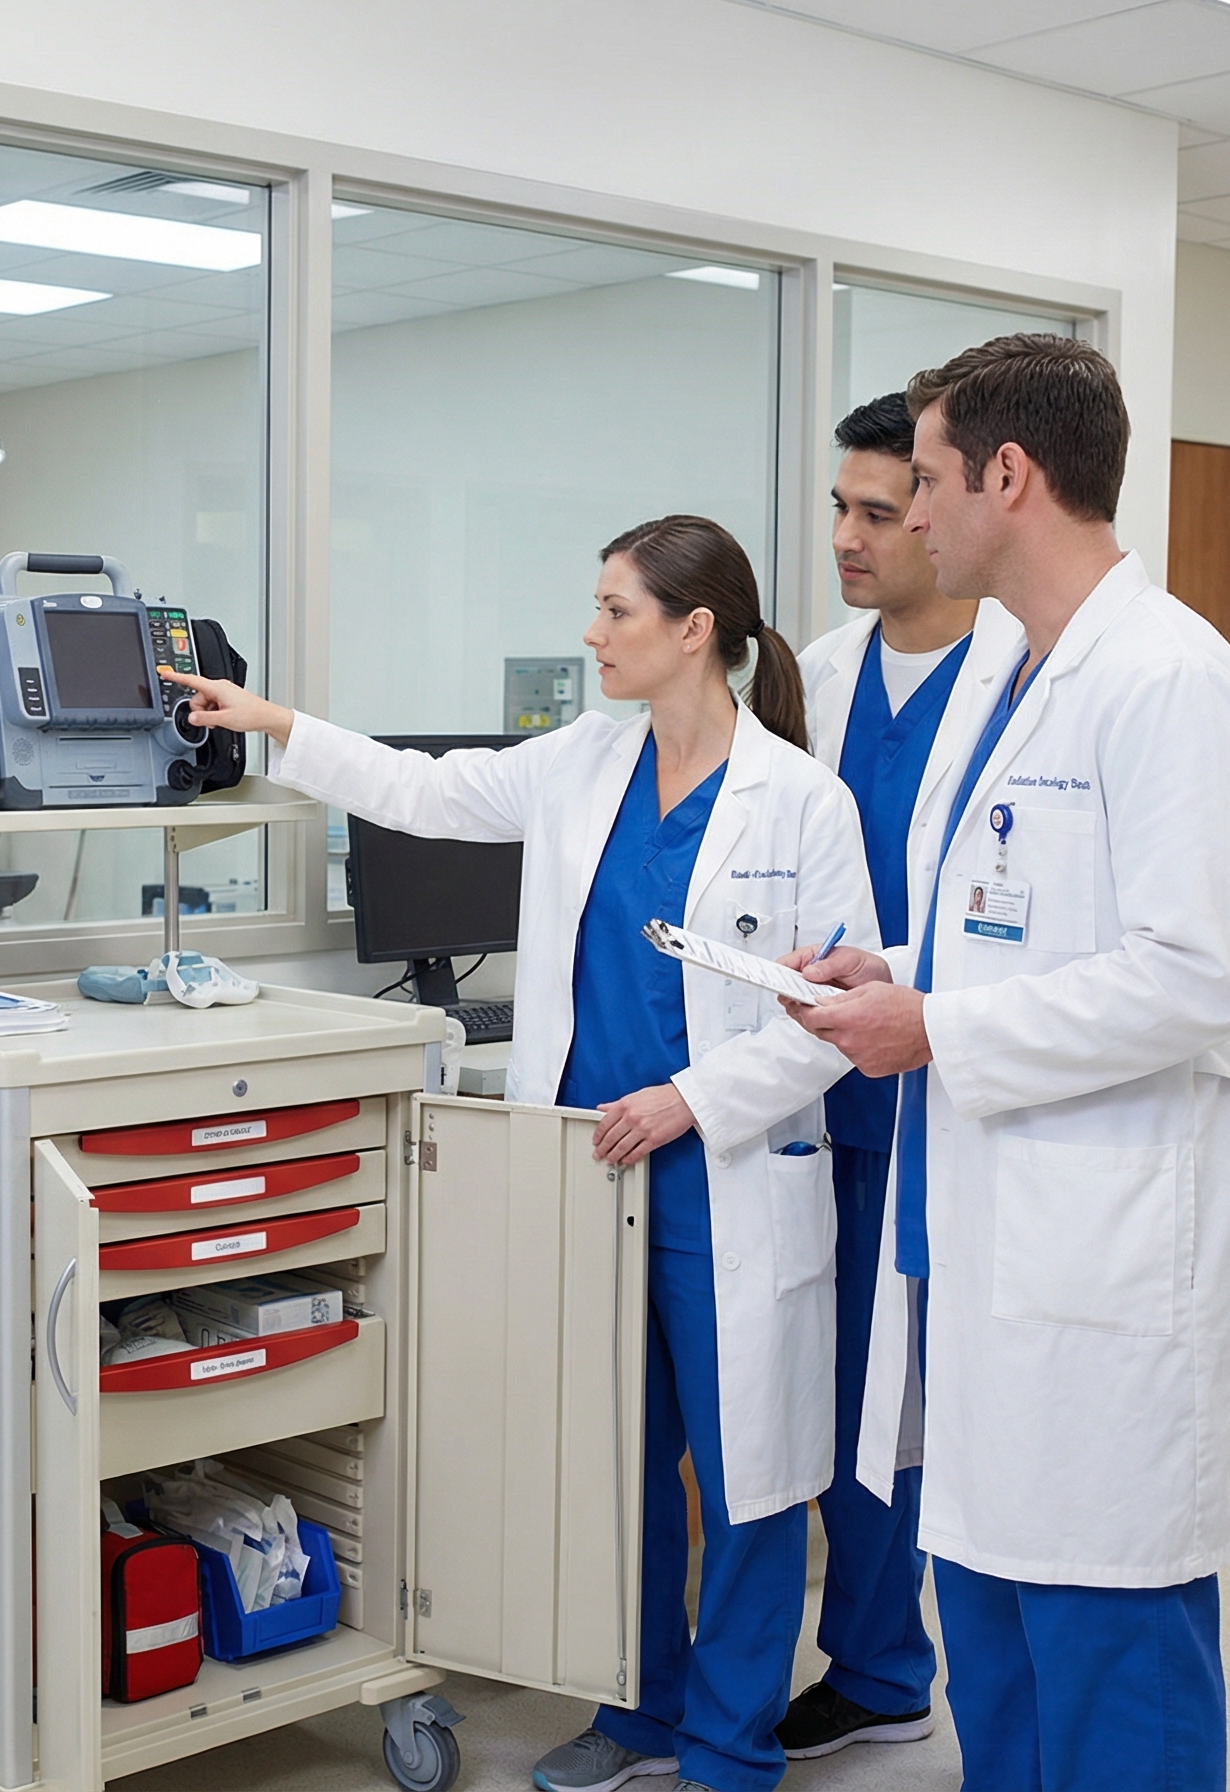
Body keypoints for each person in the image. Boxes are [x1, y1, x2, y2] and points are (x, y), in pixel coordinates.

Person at [166, 515, 876, 1792]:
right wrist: (270, 722)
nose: (591, 634)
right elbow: (421, 788)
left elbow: (836, 1014)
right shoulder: (582, 764)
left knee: (752, 1481)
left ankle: (729, 1746)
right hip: (590, 1181)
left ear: (693, 628)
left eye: (615, 611)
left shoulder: (804, 800)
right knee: (621, 1474)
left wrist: (688, 1099)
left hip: (725, 1181)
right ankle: (644, 1711)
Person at [782, 336, 1230, 1792]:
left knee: (1106, 1646)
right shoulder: (1022, 679)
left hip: (1116, 1263)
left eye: (929, 483)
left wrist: (941, 1027)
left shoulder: (1168, 683)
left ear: (1010, 476)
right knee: (999, 1628)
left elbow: (1200, 978)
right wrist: (911, 981)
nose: (904, 517)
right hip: (1002, 1248)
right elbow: (1037, 934)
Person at [779, 393, 1027, 1763]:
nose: (854, 536)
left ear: (944, 510)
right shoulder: (818, 672)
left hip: (945, 1086)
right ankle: (876, 1659)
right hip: (817, 1089)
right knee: (834, 1388)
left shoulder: (1019, 677)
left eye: (883, 508)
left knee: (914, 1400)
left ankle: (886, 1662)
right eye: (842, 508)